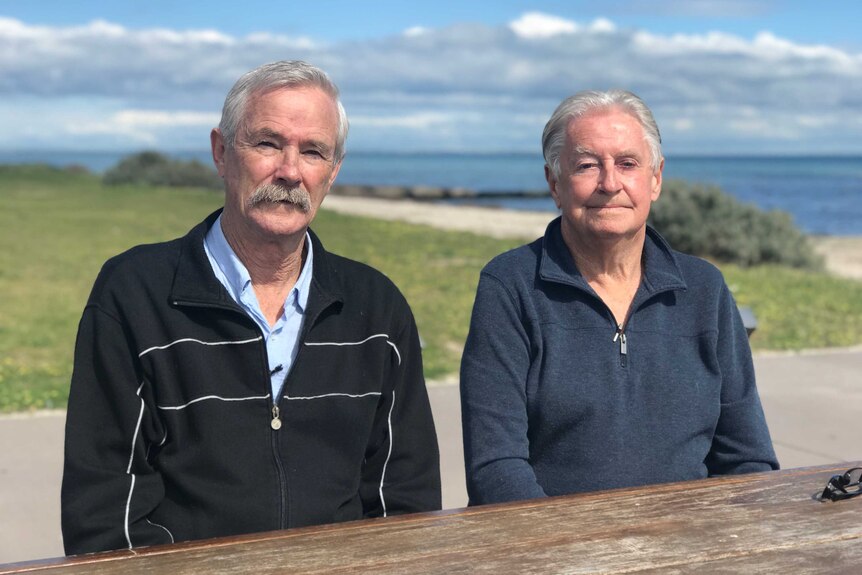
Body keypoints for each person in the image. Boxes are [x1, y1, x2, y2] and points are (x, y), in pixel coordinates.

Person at [61, 60, 441, 555]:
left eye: (312, 152)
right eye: (267, 143)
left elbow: (405, 500)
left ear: (332, 172)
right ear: (221, 152)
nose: (289, 171)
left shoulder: (377, 308)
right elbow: (105, 507)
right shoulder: (134, 293)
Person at [460, 90, 778, 505]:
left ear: (656, 178)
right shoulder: (511, 286)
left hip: (692, 543)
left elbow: (747, 459)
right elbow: (496, 467)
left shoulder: (704, 288)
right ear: (555, 183)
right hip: (553, 552)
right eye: (587, 165)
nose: (610, 184)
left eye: (628, 164)